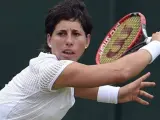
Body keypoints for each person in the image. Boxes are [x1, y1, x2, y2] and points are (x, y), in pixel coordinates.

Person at [0, 0, 159, 120]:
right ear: (49, 40)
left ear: (87, 41)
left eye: (76, 34)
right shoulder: (49, 70)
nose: (69, 41)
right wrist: (156, 45)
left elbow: (79, 88)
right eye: (61, 33)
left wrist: (118, 94)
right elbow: (122, 71)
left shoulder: (63, 80)